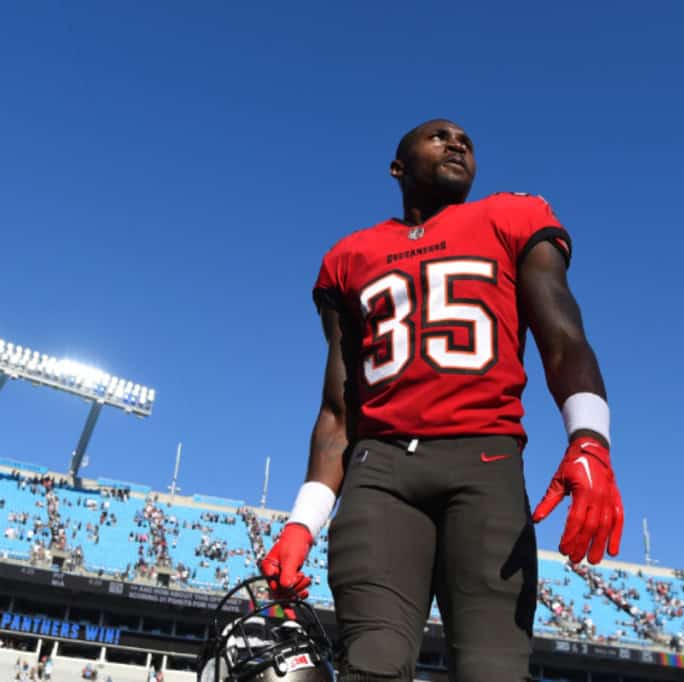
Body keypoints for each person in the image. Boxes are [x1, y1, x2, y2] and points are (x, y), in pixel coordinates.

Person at [260, 119, 624, 682]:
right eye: (438, 136)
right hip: (378, 473)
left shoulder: (511, 216)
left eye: (467, 140)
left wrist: (589, 439)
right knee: (372, 664)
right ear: (397, 166)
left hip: (484, 464)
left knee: (492, 671)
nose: (457, 143)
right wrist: (302, 522)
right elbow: (338, 409)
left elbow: (563, 334)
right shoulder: (349, 257)